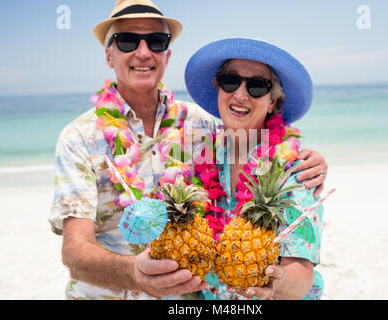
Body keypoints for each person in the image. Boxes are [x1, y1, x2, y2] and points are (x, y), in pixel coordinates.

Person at [49, 0, 328, 300]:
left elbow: (299, 266)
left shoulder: (198, 127)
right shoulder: (79, 137)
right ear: (108, 54)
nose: (143, 52)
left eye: (155, 41)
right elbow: (74, 252)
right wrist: (134, 273)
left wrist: (312, 162)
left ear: (166, 55)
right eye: (128, 40)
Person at [184, 38, 325, 300]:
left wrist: (278, 283)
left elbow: (301, 271)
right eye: (230, 81)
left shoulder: (293, 168)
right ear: (218, 89)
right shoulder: (198, 156)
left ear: (273, 101)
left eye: (257, 86)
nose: (240, 94)